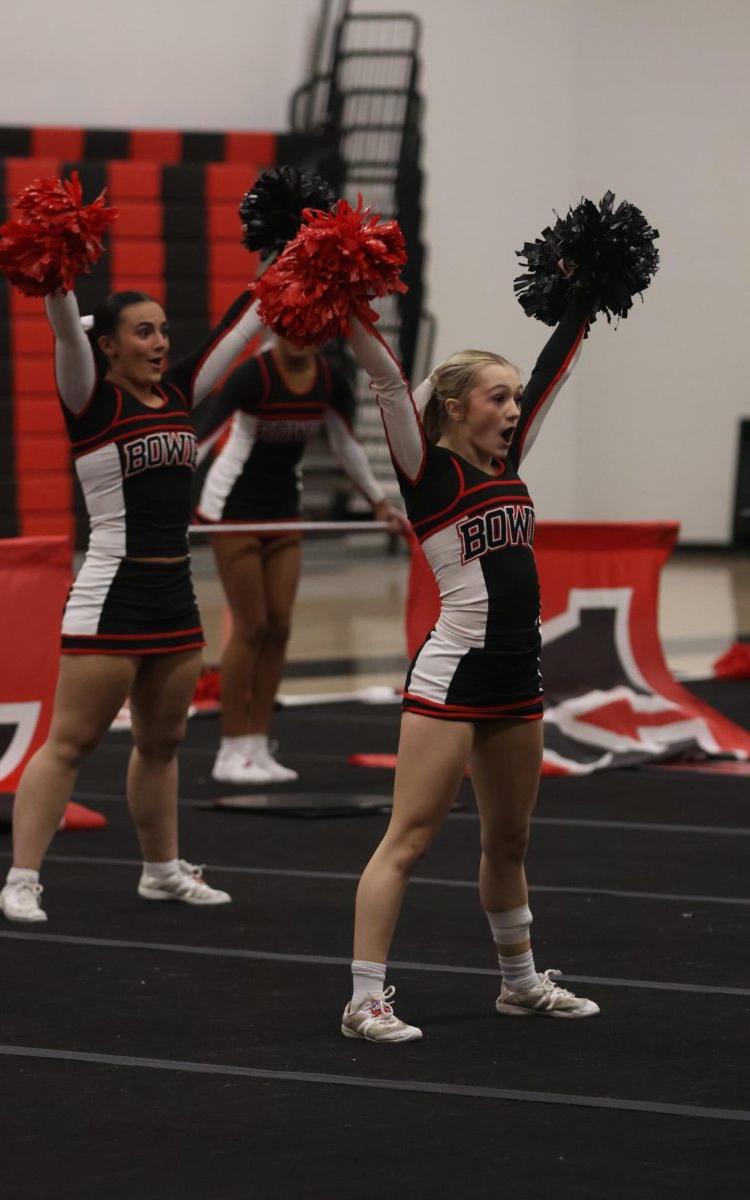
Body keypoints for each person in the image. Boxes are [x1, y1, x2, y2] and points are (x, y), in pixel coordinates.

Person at [336, 276, 601, 1040]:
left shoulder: (508, 457)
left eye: (515, 397)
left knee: (508, 840)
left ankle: (518, 983)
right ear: (454, 406)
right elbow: (386, 377)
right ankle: (364, 999)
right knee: (410, 836)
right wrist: (343, 303)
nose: (513, 409)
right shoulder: (426, 471)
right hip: (452, 673)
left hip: (520, 673)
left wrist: (587, 292)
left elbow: (556, 368)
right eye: (497, 397)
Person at [0, 276, 267, 924]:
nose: (159, 342)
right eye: (143, 331)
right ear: (108, 346)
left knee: (162, 743)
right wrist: (57, 271)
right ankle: (21, 877)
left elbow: (241, 329)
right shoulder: (89, 400)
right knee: (70, 742)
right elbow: (64, 326)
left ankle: (162, 871)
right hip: (111, 593)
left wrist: (289, 258)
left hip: (173, 591)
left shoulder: (177, 392)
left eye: (164, 330)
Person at [195, 334, 408, 784]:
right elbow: (202, 438)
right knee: (250, 627)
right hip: (232, 508)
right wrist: (160, 492)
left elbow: (345, 443)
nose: (295, 338)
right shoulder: (253, 375)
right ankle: (229, 749)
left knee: (279, 627)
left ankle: (257, 743)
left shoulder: (329, 379)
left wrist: (378, 502)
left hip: (282, 509)